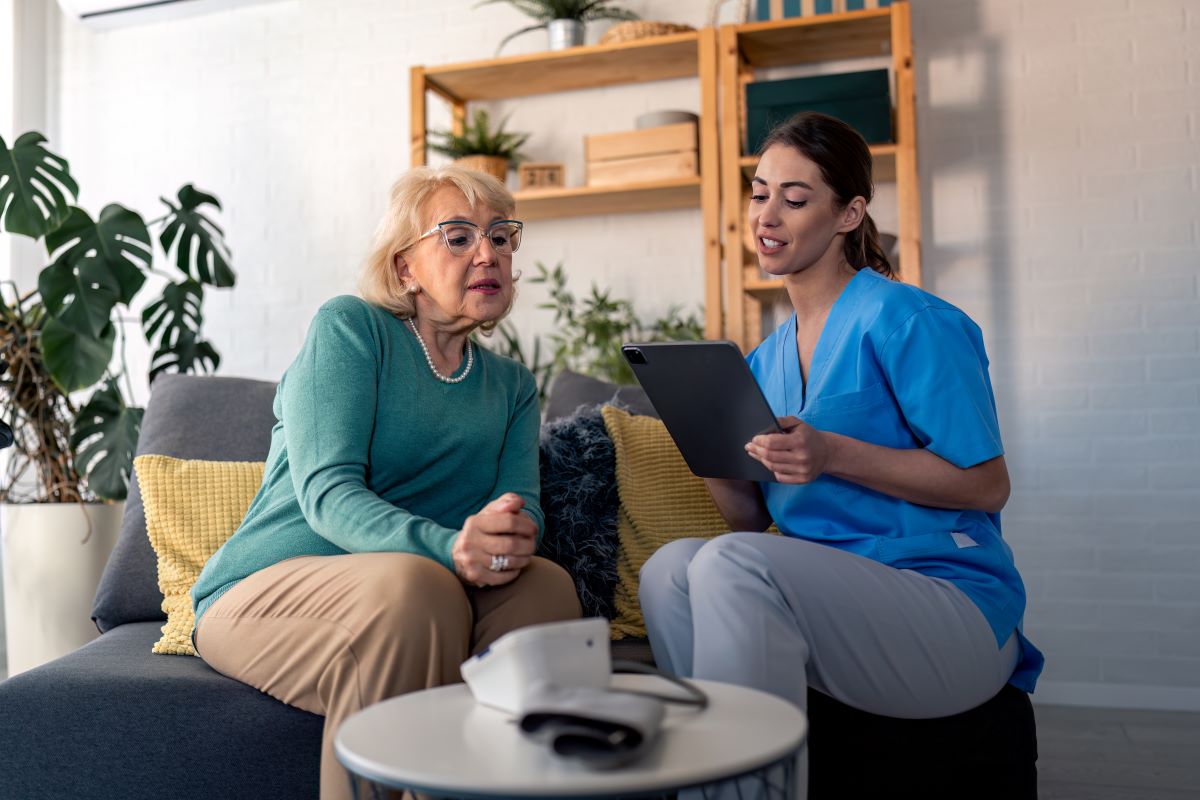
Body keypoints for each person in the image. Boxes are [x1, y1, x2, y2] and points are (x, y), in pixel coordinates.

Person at [638, 112, 1044, 795]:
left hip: (949, 604)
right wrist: (706, 446)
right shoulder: (763, 362)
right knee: (670, 570)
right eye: (759, 193)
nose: (767, 215)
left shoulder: (909, 320)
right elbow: (748, 520)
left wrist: (831, 453)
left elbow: (986, 486)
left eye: (795, 199)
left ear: (849, 215)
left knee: (732, 563)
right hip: (833, 607)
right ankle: (719, 784)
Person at [190, 166, 581, 800]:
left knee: (544, 586)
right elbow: (327, 495)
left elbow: (524, 510)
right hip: (269, 589)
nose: (488, 254)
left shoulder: (511, 386)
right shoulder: (352, 329)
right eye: (458, 237)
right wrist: (451, 547)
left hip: (424, 584)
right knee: (415, 586)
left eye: (501, 236)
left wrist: (506, 536)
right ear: (405, 269)